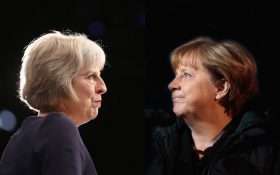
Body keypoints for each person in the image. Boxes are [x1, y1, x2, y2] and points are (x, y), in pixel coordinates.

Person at [146, 37, 280, 175]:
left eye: (186, 74)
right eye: (176, 75)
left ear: (221, 88)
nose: (172, 85)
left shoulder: (265, 153)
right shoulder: (155, 141)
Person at [0, 30, 107, 175]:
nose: (102, 87)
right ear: (60, 80)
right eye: (90, 76)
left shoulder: (20, 137)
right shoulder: (61, 128)